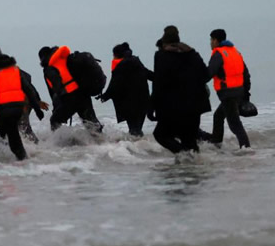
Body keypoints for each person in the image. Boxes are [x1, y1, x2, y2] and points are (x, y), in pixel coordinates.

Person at [0, 45, 44, 160]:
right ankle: (28, 154)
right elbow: (28, 88)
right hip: (18, 108)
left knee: (9, 136)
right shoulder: (14, 68)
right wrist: (37, 108)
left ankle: (20, 161)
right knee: (8, 133)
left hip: (4, 110)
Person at [151, 25, 211, 154]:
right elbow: (206, 75)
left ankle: (184, 156)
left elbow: (159, 83)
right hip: (195, 105)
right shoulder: (193, 54)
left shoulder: (161, 56)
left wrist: (151, 107)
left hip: (173, 106)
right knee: (190, 139)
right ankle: (193, 167)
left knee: (160, 135)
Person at [38, 45, 102, 133]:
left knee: (55, 121)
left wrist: (57, 108)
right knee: (92, 123)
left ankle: (57, 145)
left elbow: (56, 90)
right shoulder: (65, 58)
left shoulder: (49, 69)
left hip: (69, 98)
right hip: (83, 93)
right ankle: (104, 143)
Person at [206, 29, 251, 148]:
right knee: (218, 116)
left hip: (228, 94)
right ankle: (216, 143)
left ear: (215, 40)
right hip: (238, 92)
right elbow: (246, 75)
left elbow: (209, 73)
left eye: (211, 40)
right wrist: (246, 95)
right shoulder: (235, 52)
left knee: (235, 124)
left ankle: (246, 148)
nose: (210, 43)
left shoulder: (219, 54)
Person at [99, 42, 153, 137]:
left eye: (113, 55)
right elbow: (149, 74)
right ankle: (142, 148)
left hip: (130, 105)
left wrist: (104, 96)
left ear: (117, 55)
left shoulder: (120, 66)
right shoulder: (136, 62)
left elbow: (114, 85)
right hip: (144, 102)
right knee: (137, 130)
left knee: (134, 130)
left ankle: (135, 149)